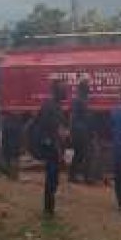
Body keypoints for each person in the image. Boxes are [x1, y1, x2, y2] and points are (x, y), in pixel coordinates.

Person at [36, 80, 67, 216]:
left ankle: (49, 208)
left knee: (53, 178)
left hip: (54, 146)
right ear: (58, 92)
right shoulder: (52, 107)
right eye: (63, 89)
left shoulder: (53, 106)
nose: (65, 92)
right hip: (52, 147)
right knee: (52, 178)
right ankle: (48, 210)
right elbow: (49, 127)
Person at [69, 79, 94, 184]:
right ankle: (86, 177)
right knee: (86, 153)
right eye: (88, 86)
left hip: (78, 129)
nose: (89, 88)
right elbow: (82, 116)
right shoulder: (81, 99)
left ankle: (73, 175)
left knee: (79, 154)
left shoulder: (79, 98)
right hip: (81, 130)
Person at [1, 113, 23, 180]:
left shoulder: (5, 123)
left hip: (8, 145)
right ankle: (15, 176)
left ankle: (10, 176)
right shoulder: (18, 124)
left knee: (9, 160)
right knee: (15, 160)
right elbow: (21, 136)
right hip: (16, 145)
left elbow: (4, 136)